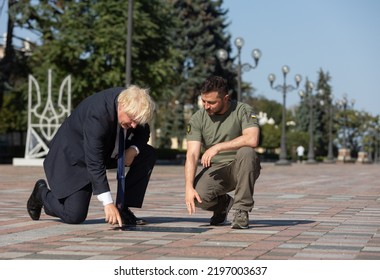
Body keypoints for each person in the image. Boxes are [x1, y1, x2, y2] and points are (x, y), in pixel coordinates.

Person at [26, 85, 156, 227]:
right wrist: (108, 203)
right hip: (74, 158)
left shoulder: (132, 106)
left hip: (105, 150)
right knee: (74, 215)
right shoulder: (98, 115)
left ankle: (123, 208)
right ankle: (41, 193)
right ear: (122, 106)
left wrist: (133, 150)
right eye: (131, 120)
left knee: (147, 154)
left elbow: (143, 131)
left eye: (137, 121)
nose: (134, 125)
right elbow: (95, 161)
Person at [184, 76, 261, 229]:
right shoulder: (198, 118)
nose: (206, 106)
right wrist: (188, 186)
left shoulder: (243, 110)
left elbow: (252, 139)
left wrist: (218, 147)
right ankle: (223, 205)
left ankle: (241, 211)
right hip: (216, 169)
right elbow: (192, 155)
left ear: (226, 98)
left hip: (241, 166)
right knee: (198, 196)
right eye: (203, 101)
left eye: (211, 102)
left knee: (247, 152)